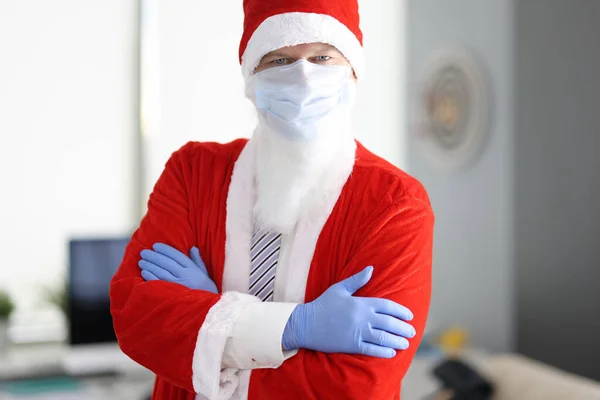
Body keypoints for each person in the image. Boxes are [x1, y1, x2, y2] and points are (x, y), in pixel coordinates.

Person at [109, 0, 434, 399]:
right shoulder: (193, 173)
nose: (303, 77)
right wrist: (295, 325)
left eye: (322, 57)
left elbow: (357, 386)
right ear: (251, 78)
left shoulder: (395, 204)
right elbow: (137, 315)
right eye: (279, 60)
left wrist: (212, 318)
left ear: (352, 71)